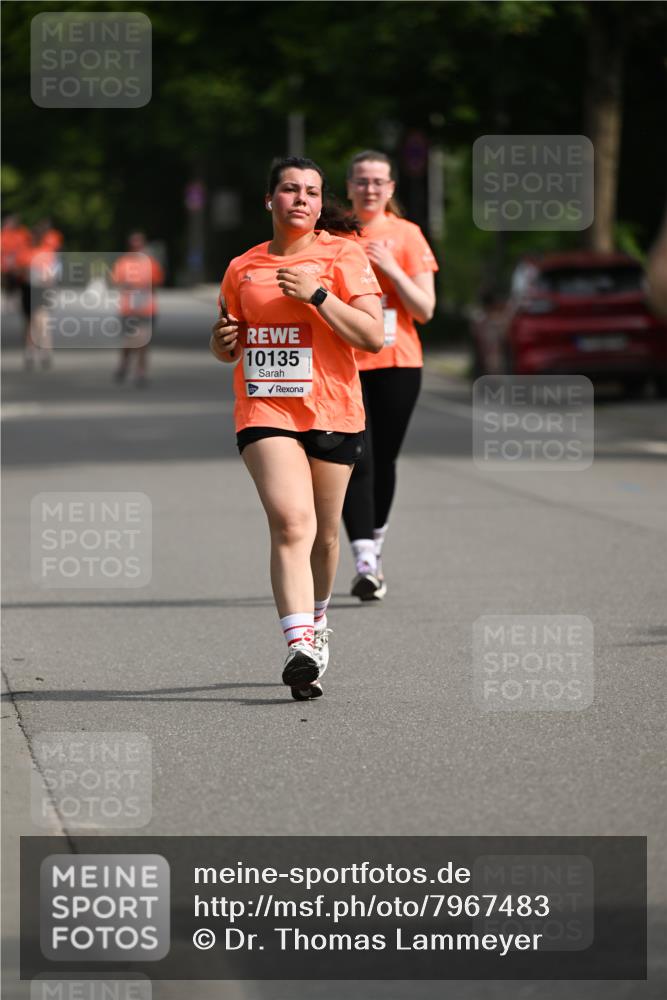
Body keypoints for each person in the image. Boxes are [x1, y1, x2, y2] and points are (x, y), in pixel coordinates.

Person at [210, 156, 384, 699]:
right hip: (266, 410)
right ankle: (299, 643)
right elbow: (224, 340)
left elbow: (372, 337)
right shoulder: (243, 266)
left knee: (325, 536)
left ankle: (319, 618)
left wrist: (317, 294)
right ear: (271, 200)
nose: (301, 199)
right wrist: (222, 343)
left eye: (311, 191)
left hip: (333, 410)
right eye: (289, 189)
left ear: (319, 202)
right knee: (291, 522)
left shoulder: (343, 255)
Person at [341, 150, 438, 600]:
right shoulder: (333, 236)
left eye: (379, 181)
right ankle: (363, 559)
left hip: (398, 363)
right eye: (362, 181)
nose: (370, 189)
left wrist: (392, 267)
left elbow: (425, 309)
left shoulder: (406, 235)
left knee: (385, 458)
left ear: (391, 188)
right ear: (349, 187)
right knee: (357, 457)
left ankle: (374, 547)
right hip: (344, 364)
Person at [111, 232, 164, 387]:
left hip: (147, 307)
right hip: (129, 307)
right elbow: (117, 281)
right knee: (130, 339)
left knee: (143, 339)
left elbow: (157, 281)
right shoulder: (123, 262)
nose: (137, 248)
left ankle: (141, 370)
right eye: (134, 245)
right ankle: (124, 363)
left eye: (139, 245)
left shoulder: (151, 262)